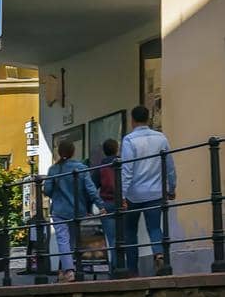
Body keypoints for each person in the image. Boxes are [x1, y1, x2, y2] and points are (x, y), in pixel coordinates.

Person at [120, 105, 176, 274]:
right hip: (155, 192)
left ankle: (132, 269)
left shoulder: (129, 140)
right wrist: (171, 187)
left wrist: (122, 194)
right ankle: (159, 255)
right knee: (154, 228)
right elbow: (170, 167)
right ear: (148, 119)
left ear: (133, 120)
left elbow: (127, 170)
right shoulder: (161, 138)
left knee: (130, 230)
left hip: (134, 195)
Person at [44, 138, 100, 281]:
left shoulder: (54, 169)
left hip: (59, 209)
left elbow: (47, 190)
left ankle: (68, 271)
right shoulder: (81, 168)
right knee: (73, 241)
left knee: (63, 240)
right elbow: (90, 189)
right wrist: (100, 205)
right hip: (77, 209)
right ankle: (67, 270)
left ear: (59, 152)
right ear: (73, 152)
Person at [91, 138, 121, 269]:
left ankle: (114, 268)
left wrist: (94, 205)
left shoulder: (100, 168)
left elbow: (92, 187)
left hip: (107, 203)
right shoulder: (122, 164)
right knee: (126, 237)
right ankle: (127, 267)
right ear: (117, 149)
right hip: (122, 202)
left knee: (112, 239)